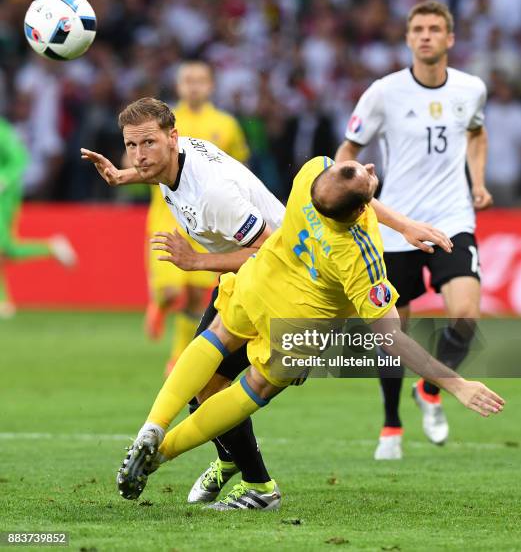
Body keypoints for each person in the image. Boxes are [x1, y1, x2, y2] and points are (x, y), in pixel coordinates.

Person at [82, 97, 453, 510]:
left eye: (146, 144)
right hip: (262, 279)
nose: (139, 155)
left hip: (285, 287)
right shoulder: (178, 157)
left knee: (224, 382)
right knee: (206, 387)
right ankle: (225, 462)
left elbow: (263, 249)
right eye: (131, 146)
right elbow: (353, 186)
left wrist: (196, 261)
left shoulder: (214, 196)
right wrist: (124, 176)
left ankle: (255, 482)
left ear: (173, 138)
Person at [335, 0, 493, 460]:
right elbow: (348, 148)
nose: (425, 36)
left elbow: (477, 133)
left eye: (434, 29)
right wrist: (353, 192)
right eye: (418, 29)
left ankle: (430, 386)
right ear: (408, 38)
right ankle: (390, 426)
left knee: (465, 316)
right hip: (394, 226)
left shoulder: (471, 88)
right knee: (391, 331)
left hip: (452, 217)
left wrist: (478, 181)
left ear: (450, 39)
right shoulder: (384, 92)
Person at [145, 60, 250, 376]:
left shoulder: (227, 124)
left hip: (205, 218)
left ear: (211, 86)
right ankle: (160, 303)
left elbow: (237, 167)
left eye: (200, 80)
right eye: (187, 80)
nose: (194, 86)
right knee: (173, 291)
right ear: (178, 86)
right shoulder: (162, 121)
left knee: (194, 294)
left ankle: (178, 355)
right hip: (168, 214)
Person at [0, 117, 76, 317]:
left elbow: (19, 159)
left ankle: (3, 301)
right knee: (7, 250)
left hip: (4, 196)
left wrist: (4, 178)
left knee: (5, 248)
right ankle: (3, 301)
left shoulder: (3, 131)